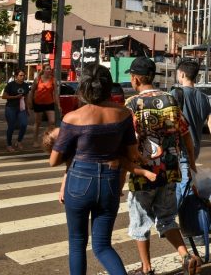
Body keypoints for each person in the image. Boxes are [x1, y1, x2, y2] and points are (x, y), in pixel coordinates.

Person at [48, 64, 142, 275]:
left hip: (79, 181)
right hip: (109, 180)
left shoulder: (72, 118)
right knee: (102, 245)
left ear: (83, 87)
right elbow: (133, 154)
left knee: (77, 242)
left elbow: (54, 161)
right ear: (109, 87)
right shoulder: (124, 114)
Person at [124, 56, 202, 275]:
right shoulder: (170, 100)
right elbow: (186, 136)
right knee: (167, 218)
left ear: (137, 78)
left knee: (140, 222)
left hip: (143, 175)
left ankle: (146, 268)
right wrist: (192, 164)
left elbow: (128, 142)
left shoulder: (131, 105)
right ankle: (186, 256)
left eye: (131, 76)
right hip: (170, 172)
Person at [170, 59, 211, 208]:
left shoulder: (175, 93)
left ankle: (177, 220)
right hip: (195, 148)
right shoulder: (203, 97)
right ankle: (184, 215)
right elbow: (210, 121)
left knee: (181, 186)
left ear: (181, 74)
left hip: (179, 148)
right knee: (184, 182)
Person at [29, 64, 60, 147]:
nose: (49, 70)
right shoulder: (38, 79)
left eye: (50, 69)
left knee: (52, 122)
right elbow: (31, 91)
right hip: (38, 103)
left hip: (49, 103)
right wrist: (30, 102)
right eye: (47, 69)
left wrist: (58, 105)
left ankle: (49, 139)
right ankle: (34, 141)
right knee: (37, 122)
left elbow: (56, 94)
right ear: (43, 70)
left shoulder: (53, 80)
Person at [2, 69, 31, 152]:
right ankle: (9, 144)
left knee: (24, 124)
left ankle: (19, 141)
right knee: (11, 126)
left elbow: (26, 97)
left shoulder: (25, 85)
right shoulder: (10, 85)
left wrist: (27, 108)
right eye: (20, 75)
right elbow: (4, 96)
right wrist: (15, 97)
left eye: (23, 75)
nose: (22, 77)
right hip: (11, 107)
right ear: (16, 76)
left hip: (21, 108)